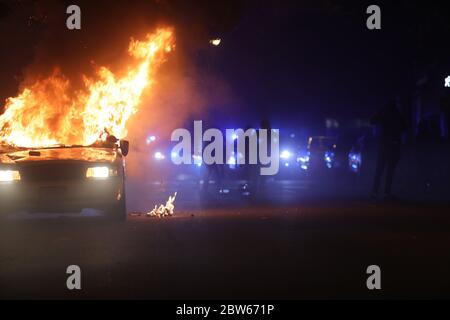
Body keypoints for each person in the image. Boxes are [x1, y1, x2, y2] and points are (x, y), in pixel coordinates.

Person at [370, 101, 406, 200]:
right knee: (390, 171)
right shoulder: (398, 114)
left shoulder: (384, 114)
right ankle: (386, 192)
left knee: (379, 170)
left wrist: (379, 112)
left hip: (384, 145)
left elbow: (372, 120)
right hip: (393, 145)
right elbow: (404, 127)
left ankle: (375, 191)